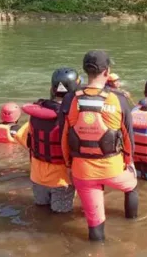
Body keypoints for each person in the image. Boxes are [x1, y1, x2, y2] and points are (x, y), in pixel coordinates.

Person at [60, 50, 138, 242]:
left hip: (82, 171)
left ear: (85, 71)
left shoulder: (71, 98)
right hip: (112, 168)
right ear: (107, 71)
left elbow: (64, 137)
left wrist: (69, 165)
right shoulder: (119, 99)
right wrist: (129, 162)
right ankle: (133, 225)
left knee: (95, 224)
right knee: (132, 186)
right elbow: (128, 137)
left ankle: (96, 250)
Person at [14, 67, 80, 213]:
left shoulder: (37, 114)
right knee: (59, 218)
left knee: (40, 211)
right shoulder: (74, 117)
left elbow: (21, 138)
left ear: (52, 88)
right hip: (62, 180)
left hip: (37, 177)